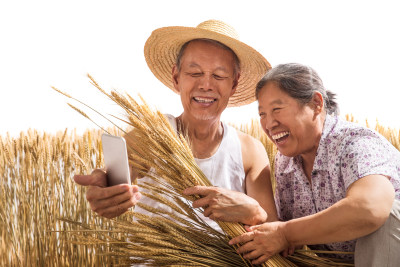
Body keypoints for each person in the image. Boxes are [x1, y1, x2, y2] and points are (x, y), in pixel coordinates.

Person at [73, 20, 278, 227]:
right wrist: (107, 190)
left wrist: (255, 212)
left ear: (233, 84)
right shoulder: (150, 137)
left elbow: (273, 232)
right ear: (176, 77)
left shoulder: (250, 152)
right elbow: (114, 181)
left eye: (219, 75)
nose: (206, 85)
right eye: (195, 73)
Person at [228, 63, 400, 266]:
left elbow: (370, 208)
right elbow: (289, 239)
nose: (269, 123)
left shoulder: (356, 142)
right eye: (262, 114)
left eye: (277, 109)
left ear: (316, 104)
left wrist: (285, 234)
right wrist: (252, 214)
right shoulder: (285, 164)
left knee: (389, 213)